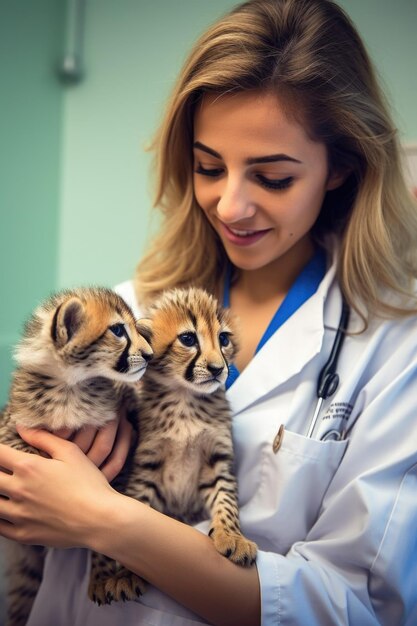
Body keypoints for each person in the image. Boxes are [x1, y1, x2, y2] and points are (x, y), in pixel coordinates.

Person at [1, 0, 417, 624]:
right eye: (208, 167)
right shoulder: (135, 306)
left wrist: (107, 519)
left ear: (341, 168)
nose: (229, 206)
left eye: (272, 177)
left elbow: (352, 604)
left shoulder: (389, 349)